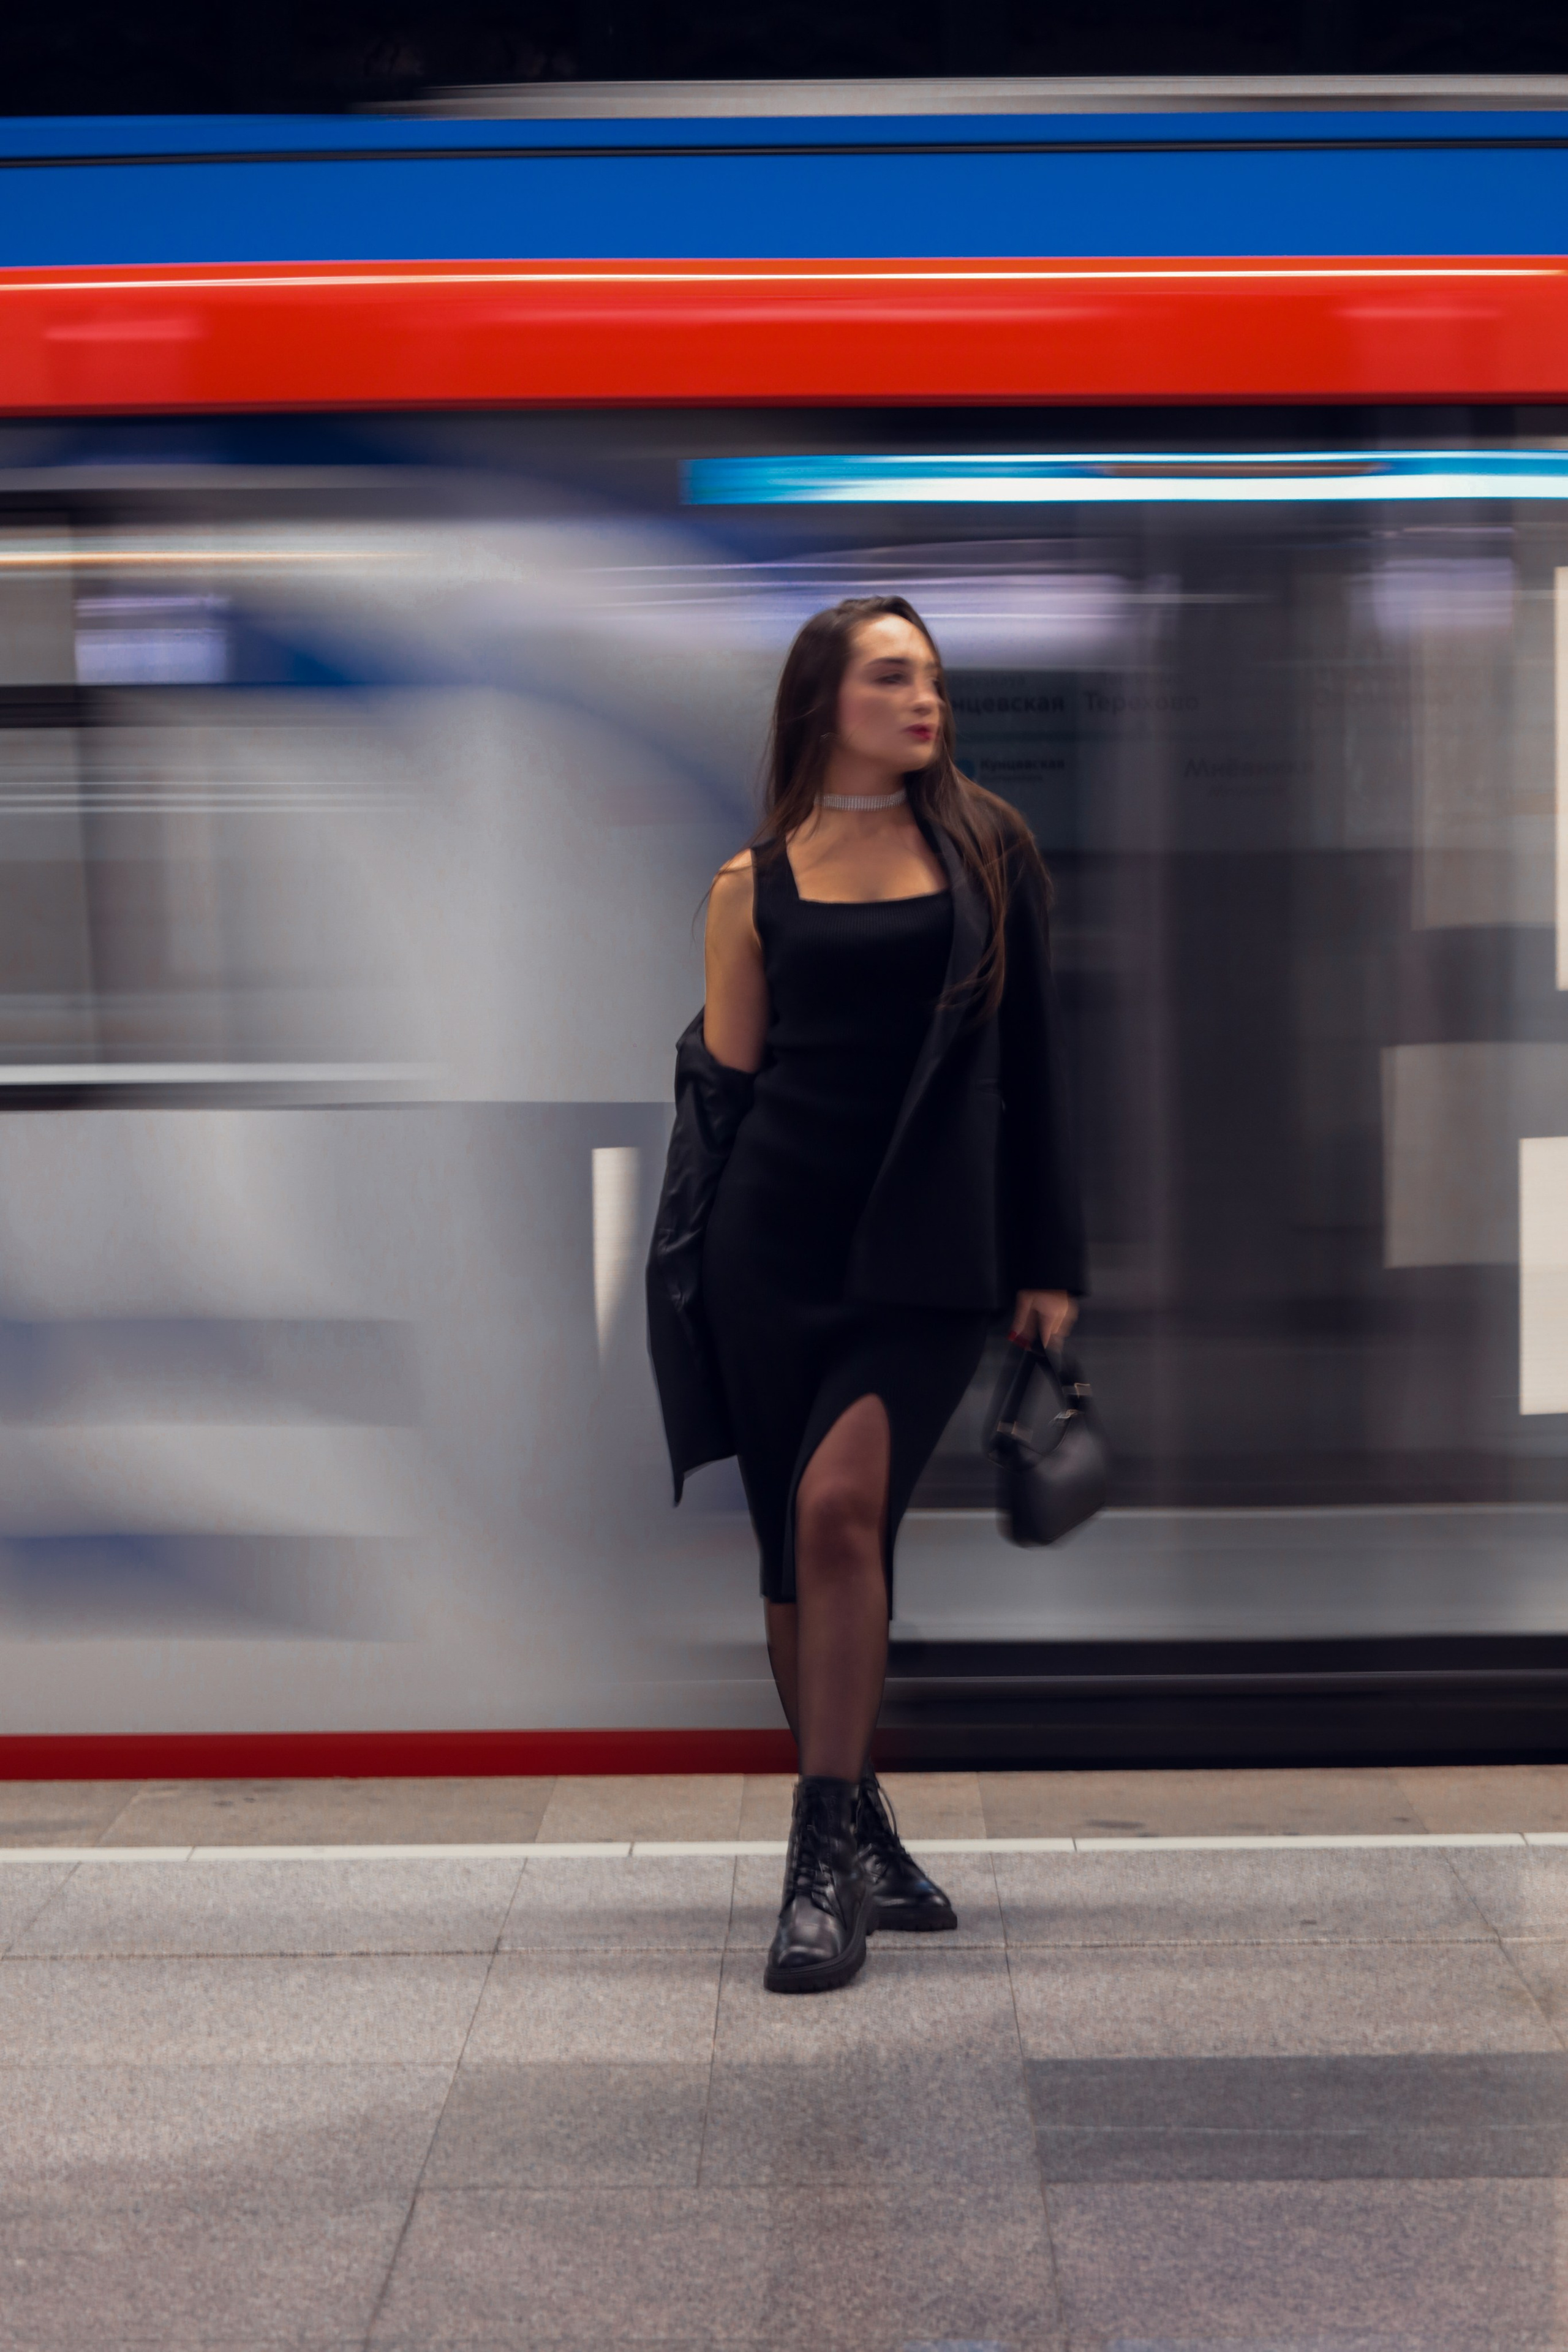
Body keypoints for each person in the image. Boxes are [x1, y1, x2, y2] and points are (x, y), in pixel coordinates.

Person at [646, 595, 1085, 1994]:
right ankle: (867, 1834)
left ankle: (815, 1864)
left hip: (925, 1264)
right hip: (768, 1254)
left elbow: (1037, 1070)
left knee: (841, 1514)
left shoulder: (986, 855)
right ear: (821, 702)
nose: (924, 701)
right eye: (892, 676)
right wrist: (683, 1284)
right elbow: (721, 1094)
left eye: (932, 680)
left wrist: (1050, 1260)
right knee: (793, 1553)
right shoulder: (750, 884)